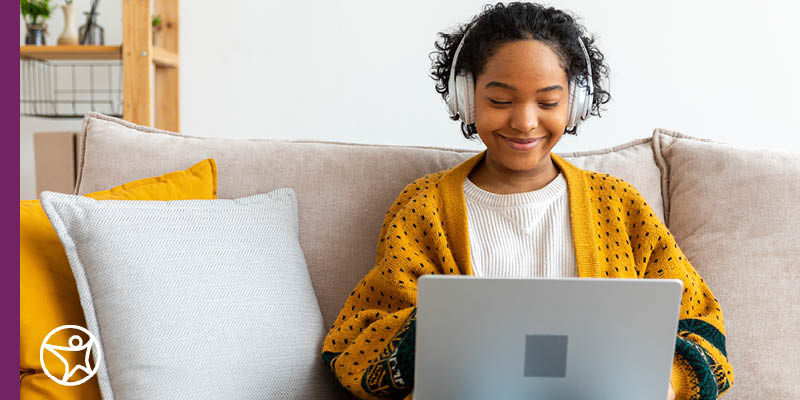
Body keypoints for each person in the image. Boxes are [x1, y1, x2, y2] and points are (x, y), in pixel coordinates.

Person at [321, 2, 733, 399]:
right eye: (500, 101)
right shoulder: (423, 207)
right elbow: (354, 346)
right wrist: (428, 336)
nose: (524, 122)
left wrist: (670, 382)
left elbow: (701, 325)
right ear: (465, 98)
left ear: (576, 103)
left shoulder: (620, 205)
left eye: (548, 102)